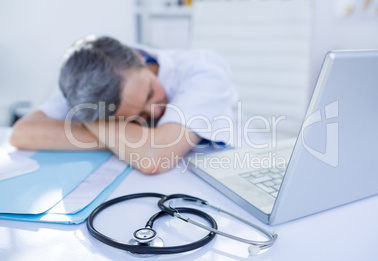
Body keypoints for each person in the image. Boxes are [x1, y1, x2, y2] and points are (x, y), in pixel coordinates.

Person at [10, 35, 238, 174]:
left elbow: (154, 158)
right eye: (132, 116)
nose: (155, 111)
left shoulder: (204, 70)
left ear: (139, 57)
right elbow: (22, 133)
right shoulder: (90, 83)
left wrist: (89, 121)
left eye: (150, 93)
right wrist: (128, 143)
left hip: (231, 174)